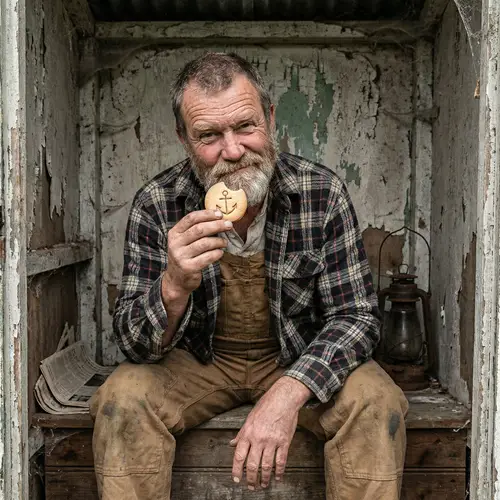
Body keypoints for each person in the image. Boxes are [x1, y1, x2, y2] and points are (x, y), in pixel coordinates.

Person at [90, 52, 408, 500]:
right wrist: (174, 286)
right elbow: (132, 345)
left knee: (376, 400)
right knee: (121, 398)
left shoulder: (321, 193)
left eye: (245, 126)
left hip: (295, 355)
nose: (233, 151)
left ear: (270, 118)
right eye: (209, 136)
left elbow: (357, 319)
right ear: (184, 138)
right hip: (199, 362)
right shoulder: (158, 204)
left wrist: (290, 389)